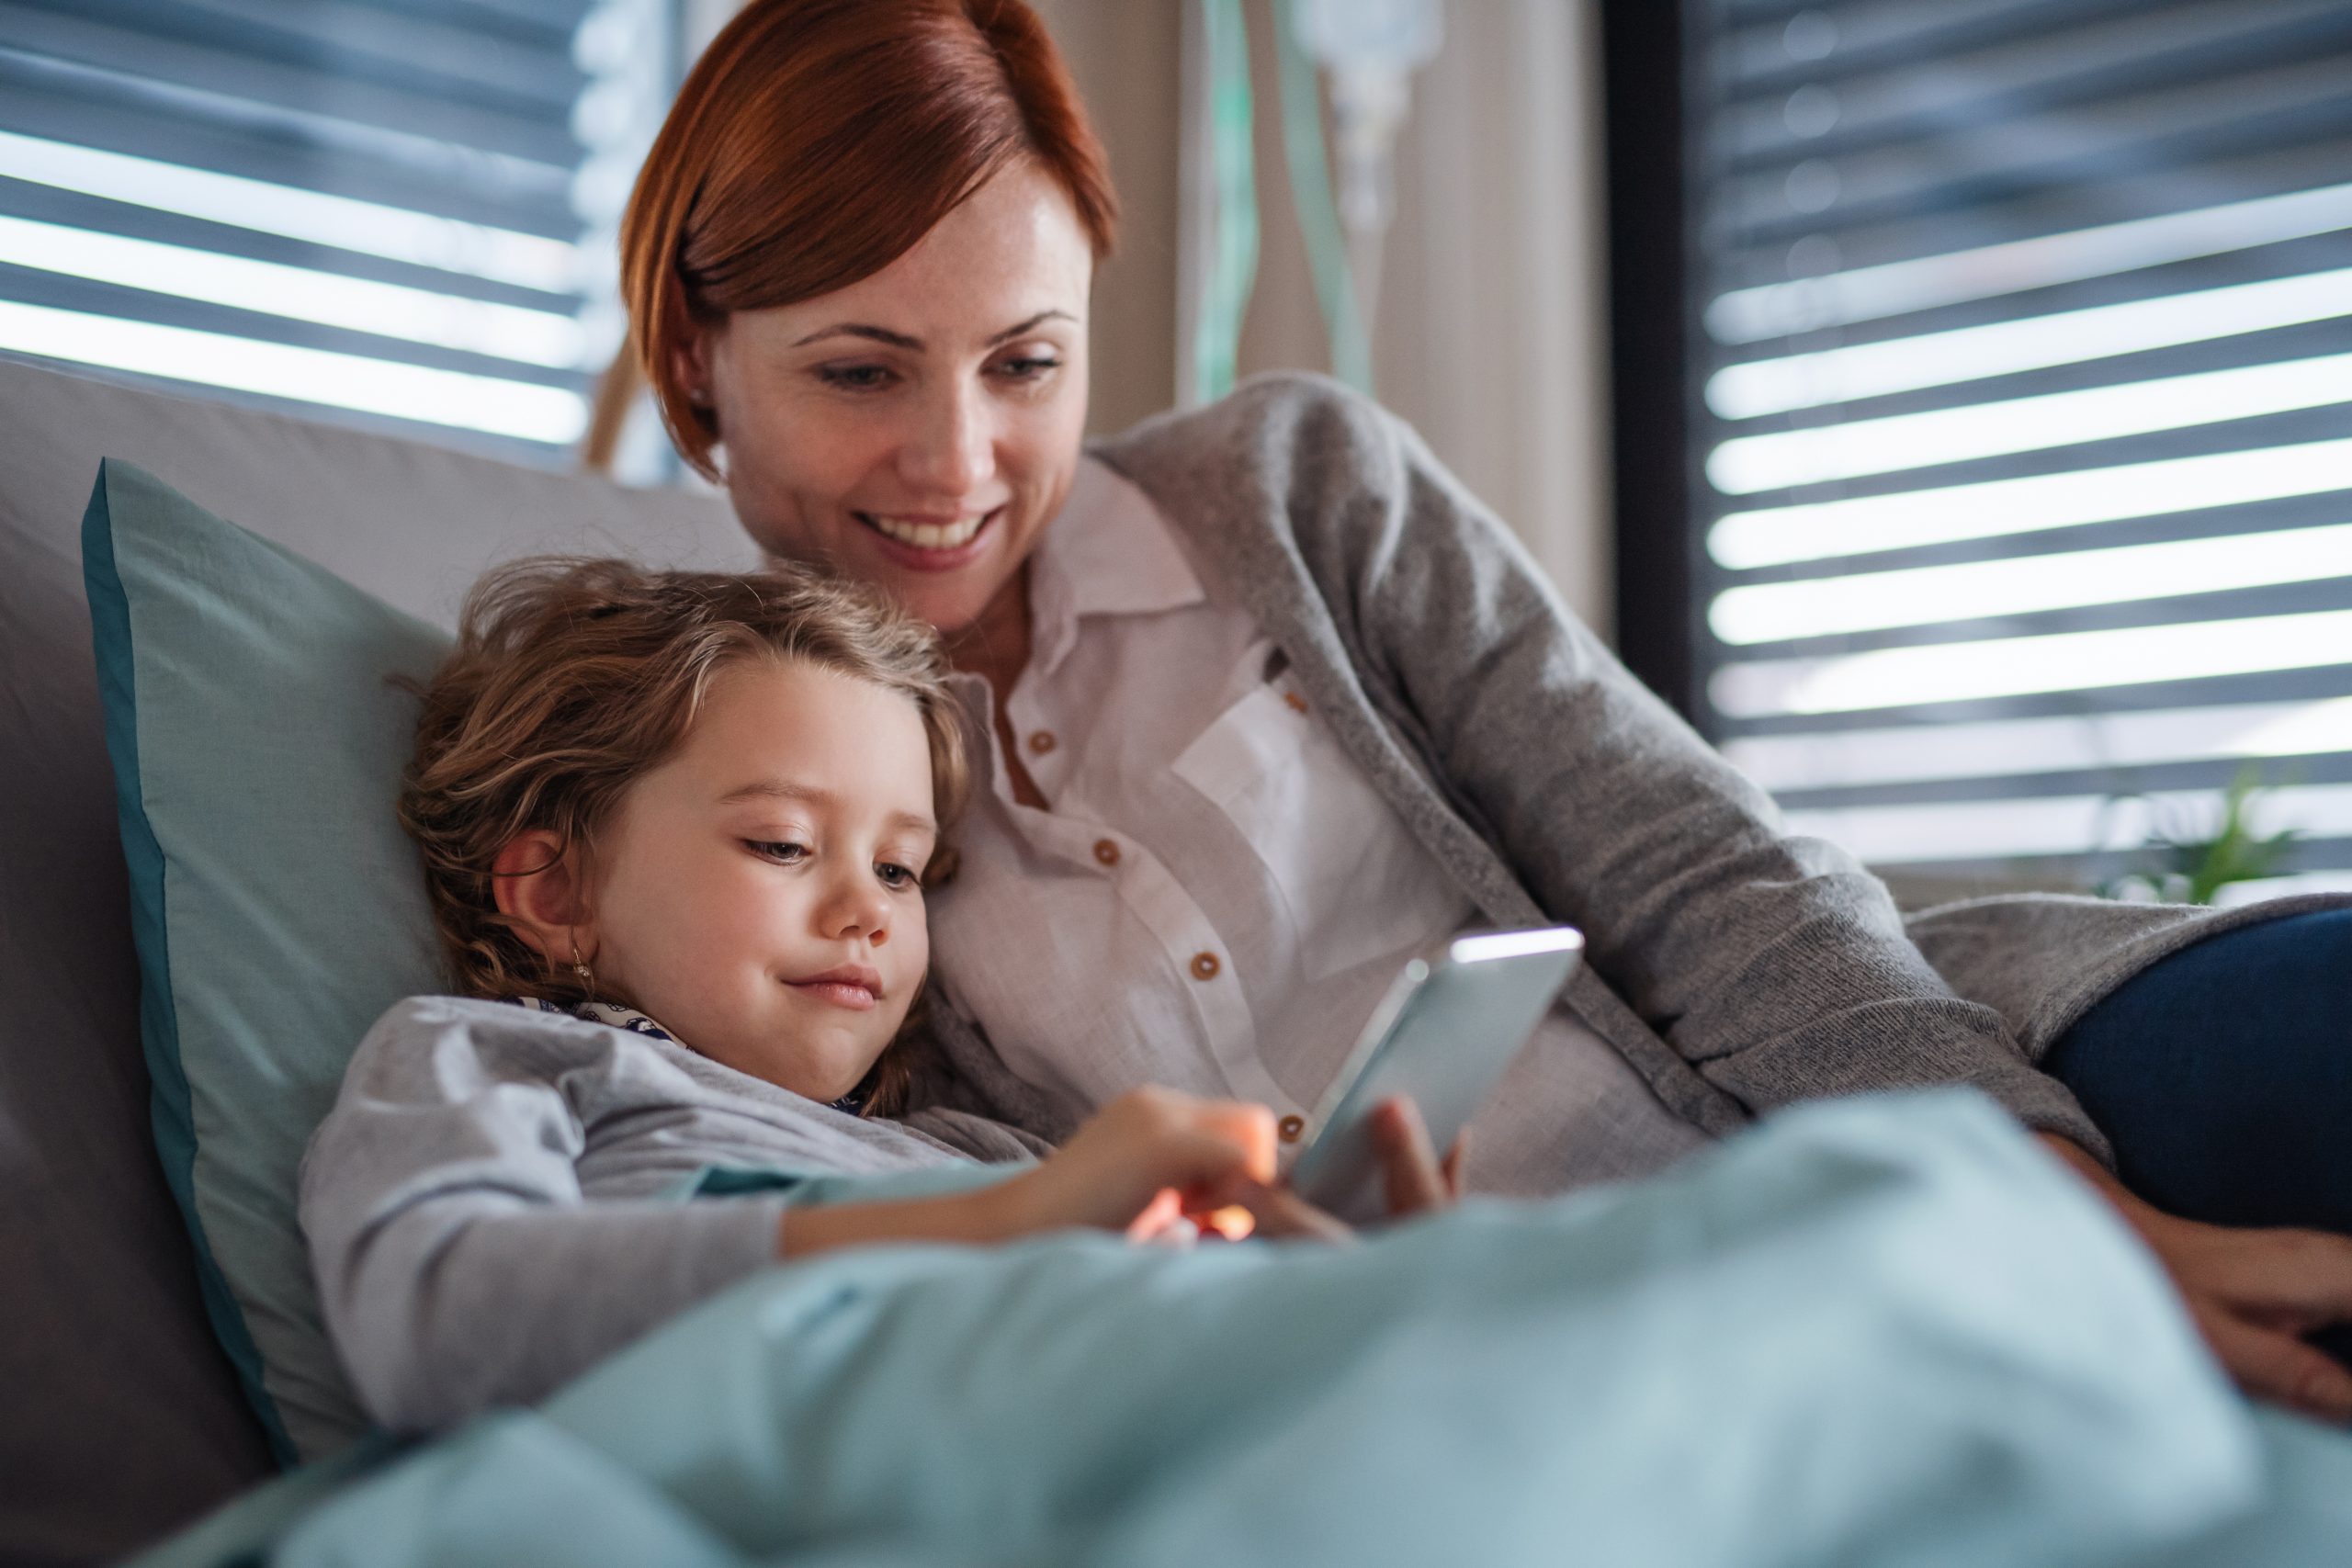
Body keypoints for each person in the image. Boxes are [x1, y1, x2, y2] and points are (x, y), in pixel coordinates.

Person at [586, 0, 2352, 1416]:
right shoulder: (722, 776)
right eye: (858, 370)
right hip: (1484, 1368)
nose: (957, 464)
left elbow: (1697, 867)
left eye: (1025, 362)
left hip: (1831, 1096)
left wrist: (2064, 1213)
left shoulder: (1295, 488)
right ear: (694, 362)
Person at [300, 558, 1455, 1432]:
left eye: (900, 869)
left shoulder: (977, 1148)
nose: (869, 911)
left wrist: (1341, 1285)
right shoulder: (498, 1061)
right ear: (554, 890)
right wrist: (1006, 1229)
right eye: (783, 844)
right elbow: (433, 1323)